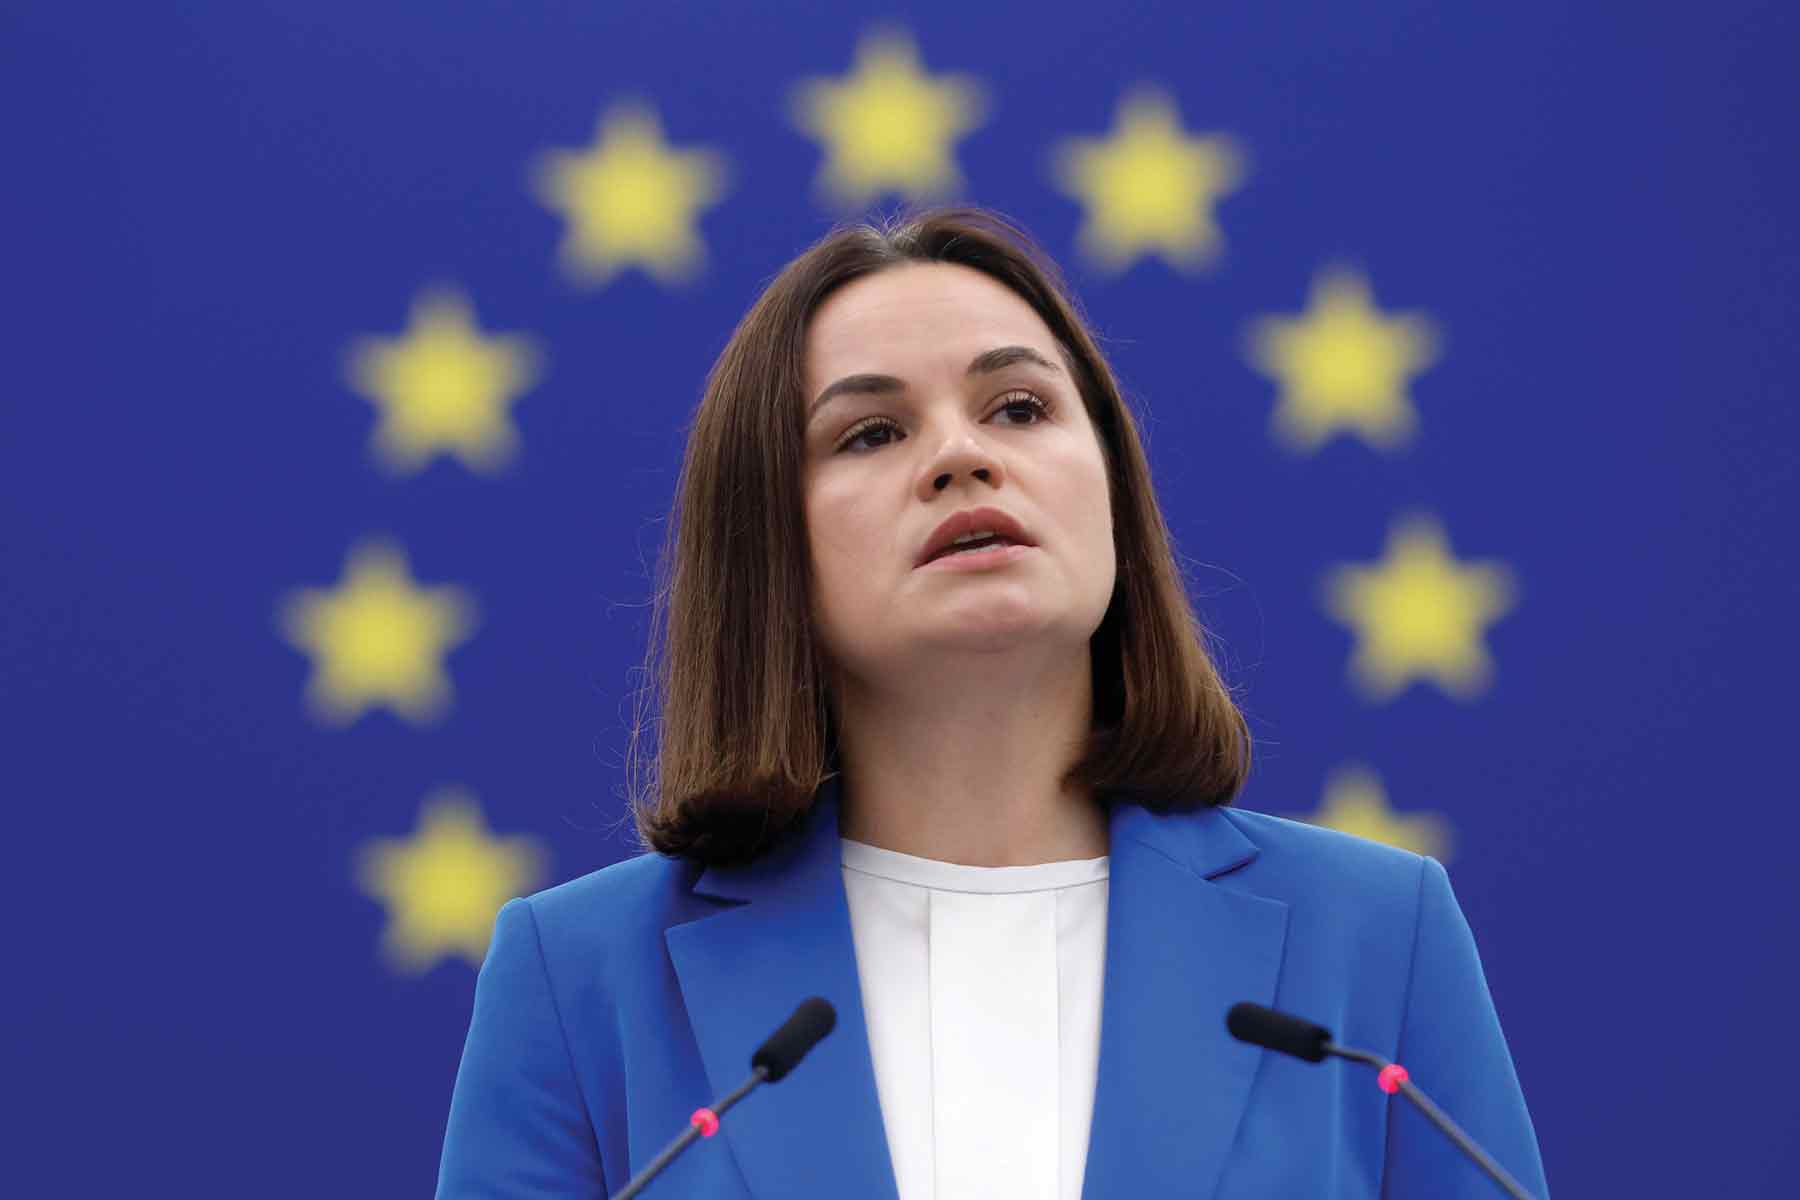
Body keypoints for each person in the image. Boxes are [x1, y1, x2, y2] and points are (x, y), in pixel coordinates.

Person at [434, 207, 1548, 1199]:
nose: (962, 456)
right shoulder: (579, 979)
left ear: (1110, 485)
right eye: (872, 432)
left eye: (1018, 407)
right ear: (767, 545)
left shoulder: (1376, 938)